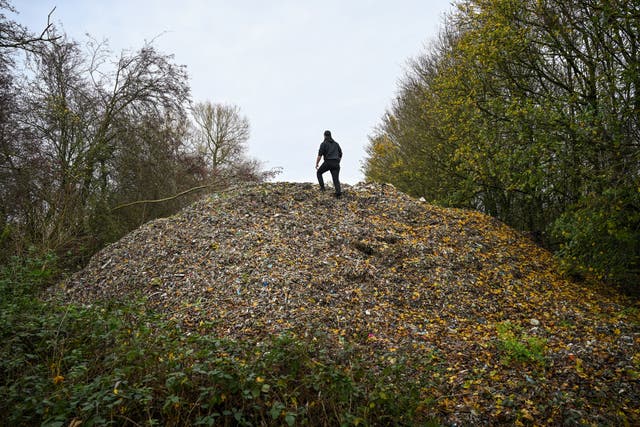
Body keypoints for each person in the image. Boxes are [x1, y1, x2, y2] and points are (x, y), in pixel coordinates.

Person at [315, 130, 342, 198]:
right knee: (335, 178)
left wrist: (317, 163)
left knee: (319, 172)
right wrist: (338, 161)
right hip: (336, 163)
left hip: (328, 162)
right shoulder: (336, 144)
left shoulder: (323, 144)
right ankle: (338, 193)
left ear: (324, 136)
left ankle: (322, 188)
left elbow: (320, 155)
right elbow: (341, 154)